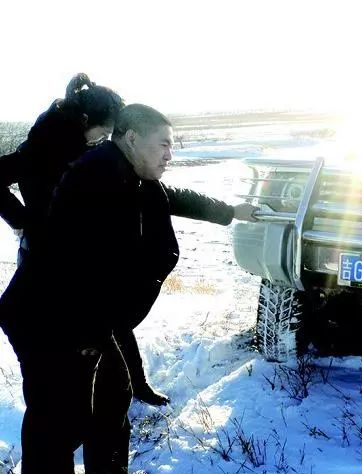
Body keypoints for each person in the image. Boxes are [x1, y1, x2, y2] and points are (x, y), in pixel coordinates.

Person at [0, 103, 257, 474]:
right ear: (131, 138)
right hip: (52, 319)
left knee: (114, 389)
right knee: (54, 430)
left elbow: (171, 196)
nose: (169, 155)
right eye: (163, 144)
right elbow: (76, 268)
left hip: (85, 317)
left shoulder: (130, 174)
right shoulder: (97, 181)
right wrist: (84, 339)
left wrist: (231, 212)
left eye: (173, 146)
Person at [0, 73, 241, 406]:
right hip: (49, 277)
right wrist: (25, 221)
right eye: (103, 132)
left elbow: (164, 195)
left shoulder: (95, 157)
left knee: (108, 335)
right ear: (86, 121)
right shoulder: (46, 151)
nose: (104, 139)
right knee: (54, 398)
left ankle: (132, 387)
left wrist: (226, 211)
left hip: (82, 277)